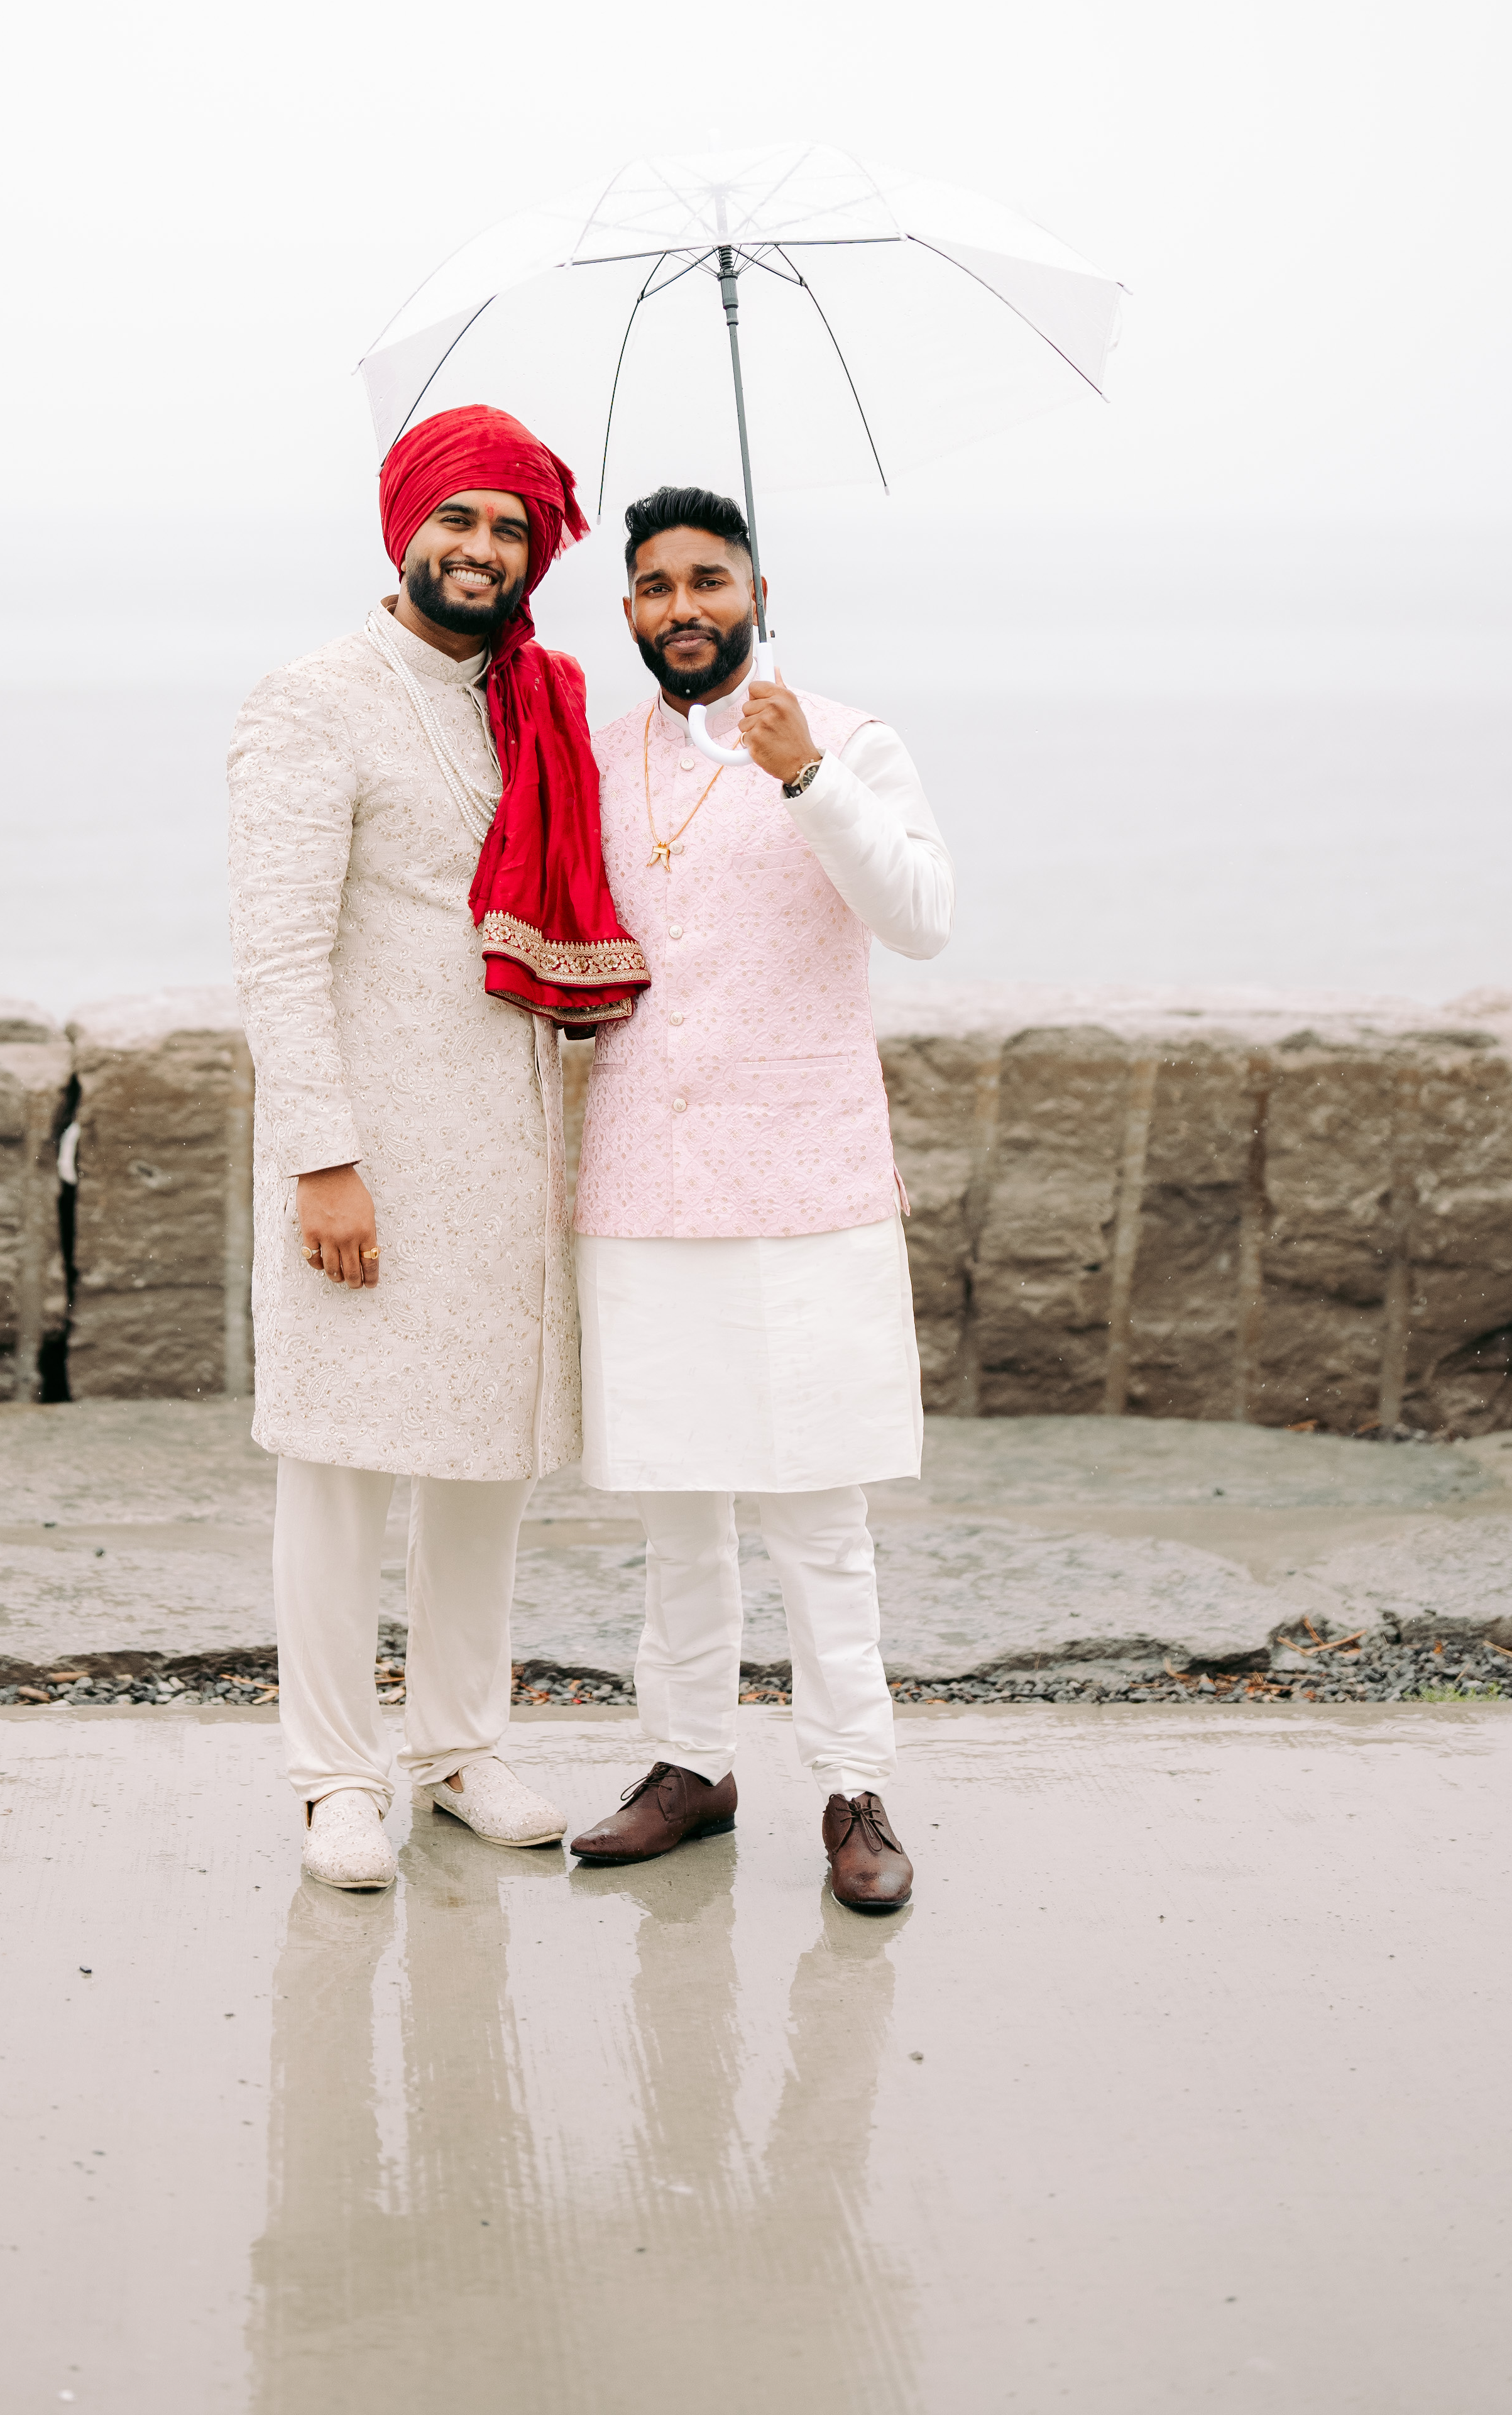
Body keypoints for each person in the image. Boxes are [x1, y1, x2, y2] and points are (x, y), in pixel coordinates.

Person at [229, 403, 647, 1891]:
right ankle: (336, 1779)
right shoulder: (314, 701)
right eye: (459, 518)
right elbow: (279, 957)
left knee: (487, 1463)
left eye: (512, 528)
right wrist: (321, 1161)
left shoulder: (535, 702)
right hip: (371, 1158)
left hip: (515, 1150)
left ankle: (459, 1748)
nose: (482, 549)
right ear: (406, 524)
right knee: (340, 1469)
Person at [565, 485, 953, 1912]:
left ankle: (854, 1787)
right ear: (630, 611)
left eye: (709, 581)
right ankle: (690, 1765)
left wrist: (808, 779)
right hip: (642, 1176)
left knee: (817, 1512)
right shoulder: (601, 761)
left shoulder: (849, 740)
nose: (685, 608)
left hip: (806, 1179)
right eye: (657, 586)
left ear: (757, 593)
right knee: (675, 1505)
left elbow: (922, 918)